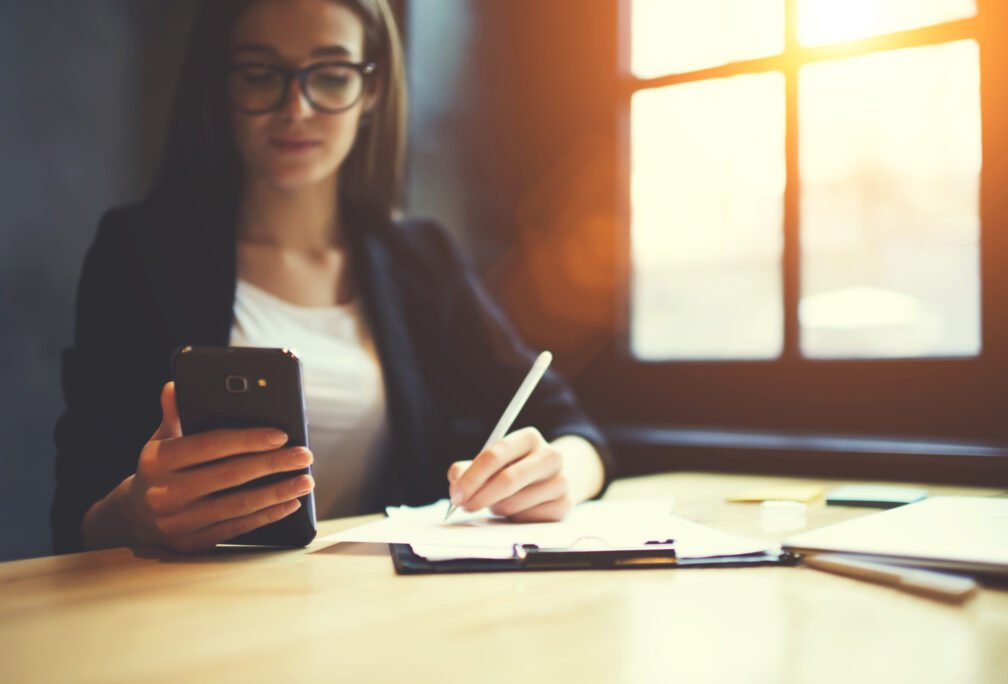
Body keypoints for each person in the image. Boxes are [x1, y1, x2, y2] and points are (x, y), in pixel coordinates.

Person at [52, 0, 614, 554]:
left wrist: (563, 472)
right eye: (259, 74)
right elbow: (77, 515)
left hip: (369, 607)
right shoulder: (139, 252)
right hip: (182, 616)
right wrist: (135, 513)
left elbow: (573, 429)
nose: (295, 108)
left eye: (332, 74)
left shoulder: (422, 261)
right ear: (222, 87)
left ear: (370, 90)